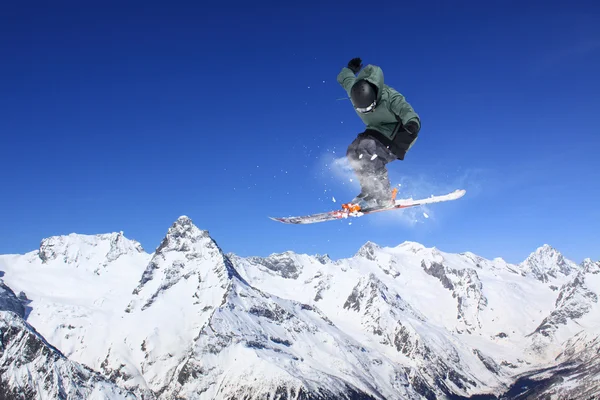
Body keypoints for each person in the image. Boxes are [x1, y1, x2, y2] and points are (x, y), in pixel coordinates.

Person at [338, 57, 421, 209]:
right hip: (376, 129)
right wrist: (349, 69)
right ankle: (368, 190)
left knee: (367, 149)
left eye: (370, 108)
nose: (367, 112)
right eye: (363, 110)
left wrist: (412, 123)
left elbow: (407, 111)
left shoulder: (390, 97)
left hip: (400, 133)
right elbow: (345, 79)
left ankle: (384, 196)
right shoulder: (354, 90)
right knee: (352, 151)